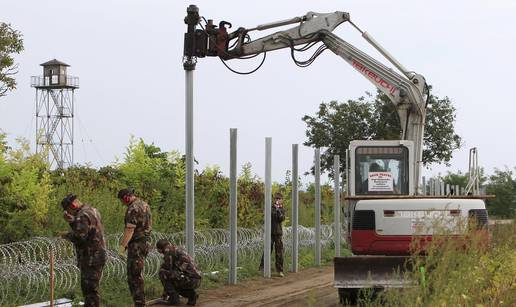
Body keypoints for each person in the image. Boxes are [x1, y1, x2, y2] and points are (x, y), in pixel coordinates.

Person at [61, 194, 107, 307]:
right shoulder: (92, 210)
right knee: (93, 289)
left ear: (72, 205)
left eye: (68, 210)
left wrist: (66, 235)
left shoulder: (82, 215)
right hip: (98, 254)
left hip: (91, 257)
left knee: (89, 291)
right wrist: (72, 222)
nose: (69, 213)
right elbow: (90, 231)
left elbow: (80, 237)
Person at [117, 188, 152, 307]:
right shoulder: (145, 204)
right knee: (138, 272)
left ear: (126, 197)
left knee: (134, 275)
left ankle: (139, 302)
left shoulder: (133, 208)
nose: (123, 203)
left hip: (136, 244)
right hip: (145, 243)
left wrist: (123, 246)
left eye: (122, 201)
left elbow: (130, 229)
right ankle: (140, 301)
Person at [156, 239, 202, 306]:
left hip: (190, 279)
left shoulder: (168, 251)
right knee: (173, 278)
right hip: (196, 279)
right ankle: (192, 295)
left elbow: (167, 269)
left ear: (160, 248)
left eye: (158, 250)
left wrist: (166, 291)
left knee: (162, 272)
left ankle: (174, 299)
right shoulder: (176, 248)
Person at [259, 192, 286, 277]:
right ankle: (262, 267)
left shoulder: (282, 210)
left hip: (278, 233)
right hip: (270, 232)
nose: (277, 200)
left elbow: (281, 218)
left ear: (281, 200)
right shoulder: (270, 208)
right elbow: (268, 216)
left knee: (279, 252)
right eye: (276, 199)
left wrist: (278, 210)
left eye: (279, 199)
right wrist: (275, 209)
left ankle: (280, 270)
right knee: (267, 250)